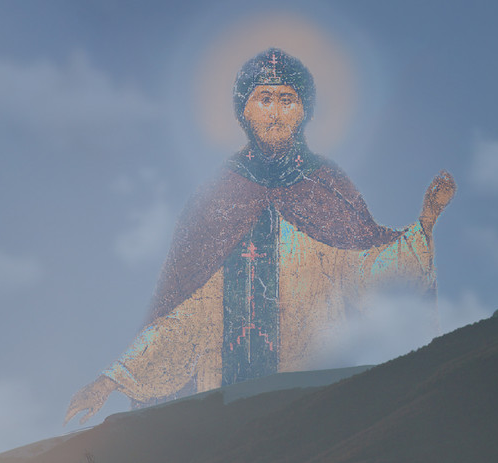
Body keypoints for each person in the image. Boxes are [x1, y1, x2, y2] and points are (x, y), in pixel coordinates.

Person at [66, 47, 456, 423]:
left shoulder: (326, 187)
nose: (276, 113)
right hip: (225, 403)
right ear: (244, 109)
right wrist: (111, 380)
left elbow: (367, 276)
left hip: (314, 394)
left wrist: (426, 222)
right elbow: (184, 314)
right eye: (264, 99)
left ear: (304, 110)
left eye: (288, 99)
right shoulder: (216, 199)